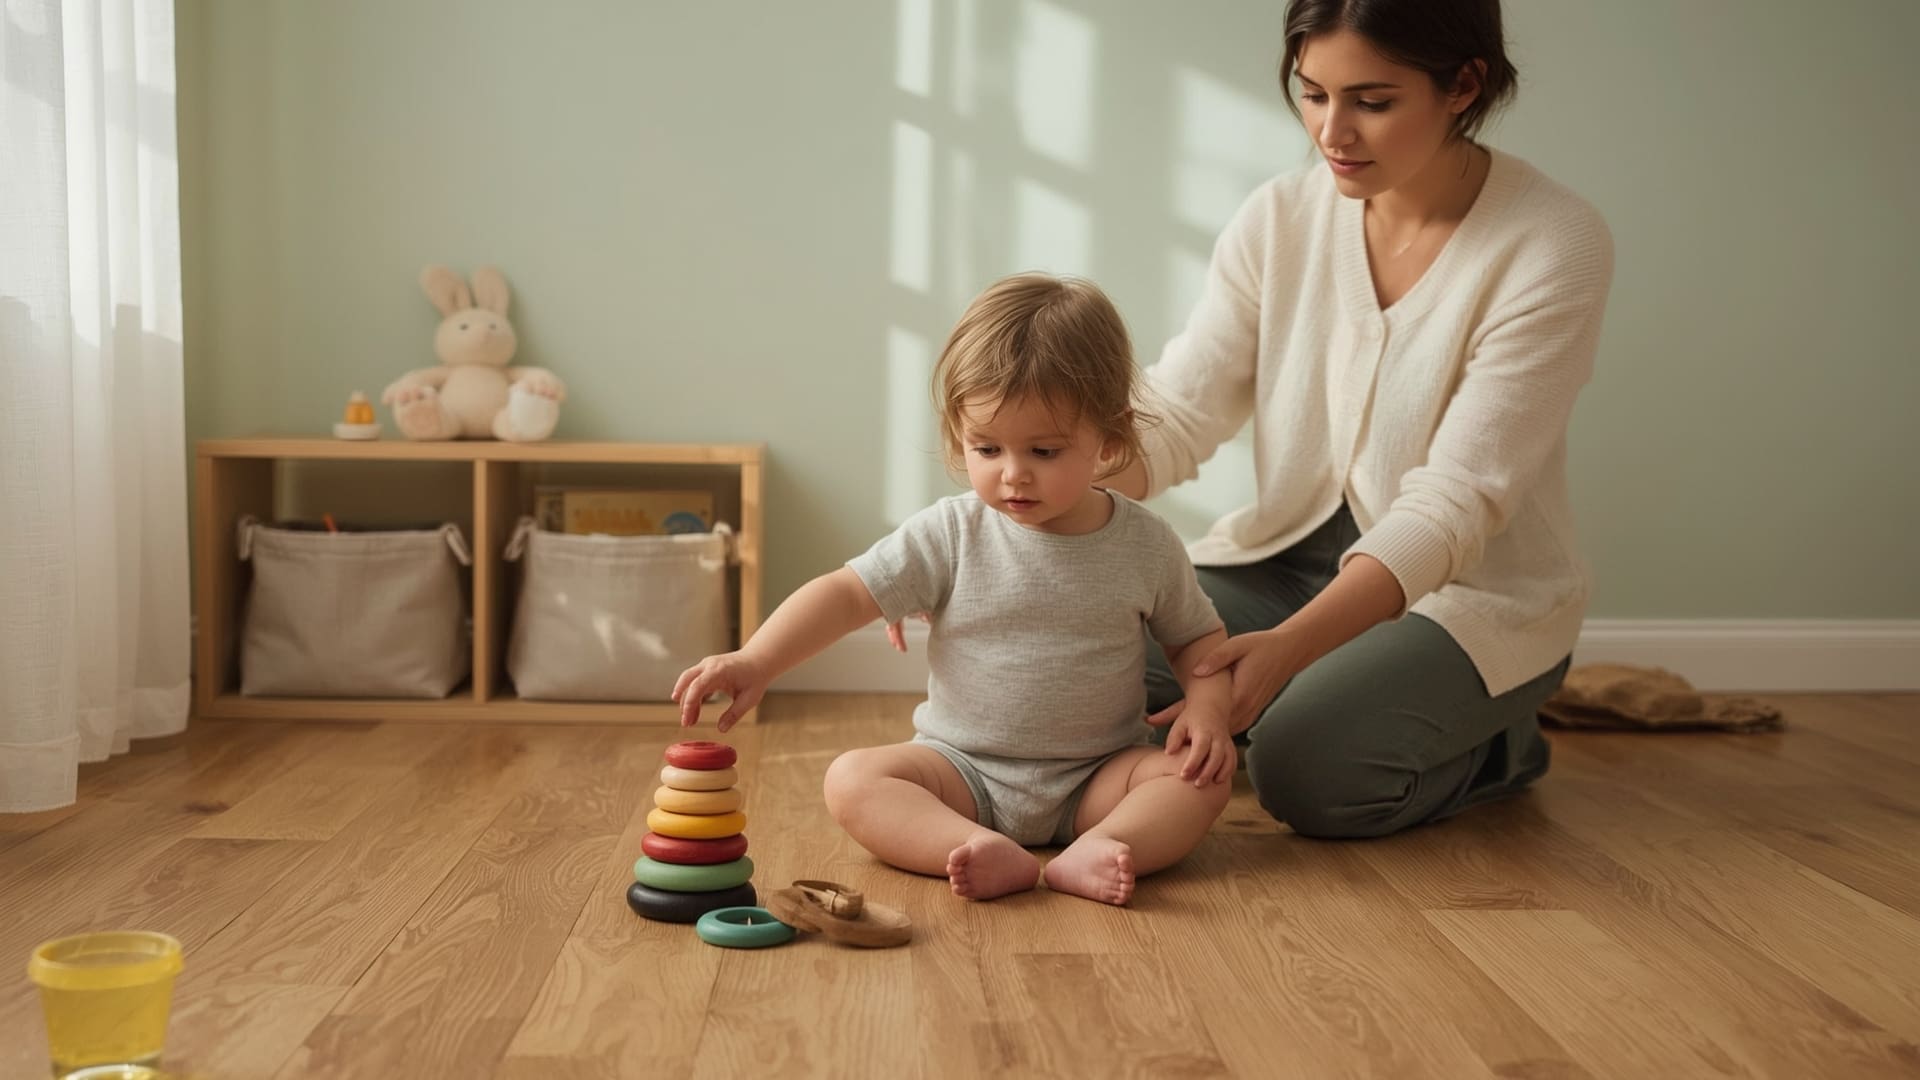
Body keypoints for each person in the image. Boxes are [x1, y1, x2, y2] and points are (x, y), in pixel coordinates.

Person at [1100, 0, 1616, 839]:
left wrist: (1287, 655)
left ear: (1464, 85)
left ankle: (1501, 746)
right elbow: (1181, 411)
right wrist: (1018, 506)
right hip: (1280, 564)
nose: (1331, 132)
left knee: (1307, 770)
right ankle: (1334, 705)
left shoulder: (1553, 241)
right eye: (1312, 94)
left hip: (1466, 595)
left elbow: (1455, 502)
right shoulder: (1279, 218)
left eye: (1372, 102)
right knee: (1079, 664)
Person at [674, 273, 1235, 906]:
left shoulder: (1146, 543)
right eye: (987, 447)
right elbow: (845, 593)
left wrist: (1208, 709)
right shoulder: (949, 531)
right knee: (853, 779)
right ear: (958, 432)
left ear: (1109, 437)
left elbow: (1200, 644)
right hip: (963, 772)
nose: (1013, 474)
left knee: (1200, 780)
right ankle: (972, 846)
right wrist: (758, 658)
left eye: (1045, 451)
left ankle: (1100, 848)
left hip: (1100, 777)